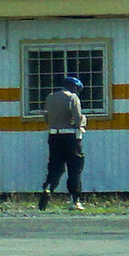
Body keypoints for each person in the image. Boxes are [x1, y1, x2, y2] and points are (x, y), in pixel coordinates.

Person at [39, 76, 86, 210]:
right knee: (75, 168)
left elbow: (46, 118)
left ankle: (48, 188)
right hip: (70, 137)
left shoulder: (50, 97)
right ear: (74, 87)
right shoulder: (72, 98)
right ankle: (75, 200)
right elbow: (77, 121)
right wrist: (83, 120)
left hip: (54, 136)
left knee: (55, 167)